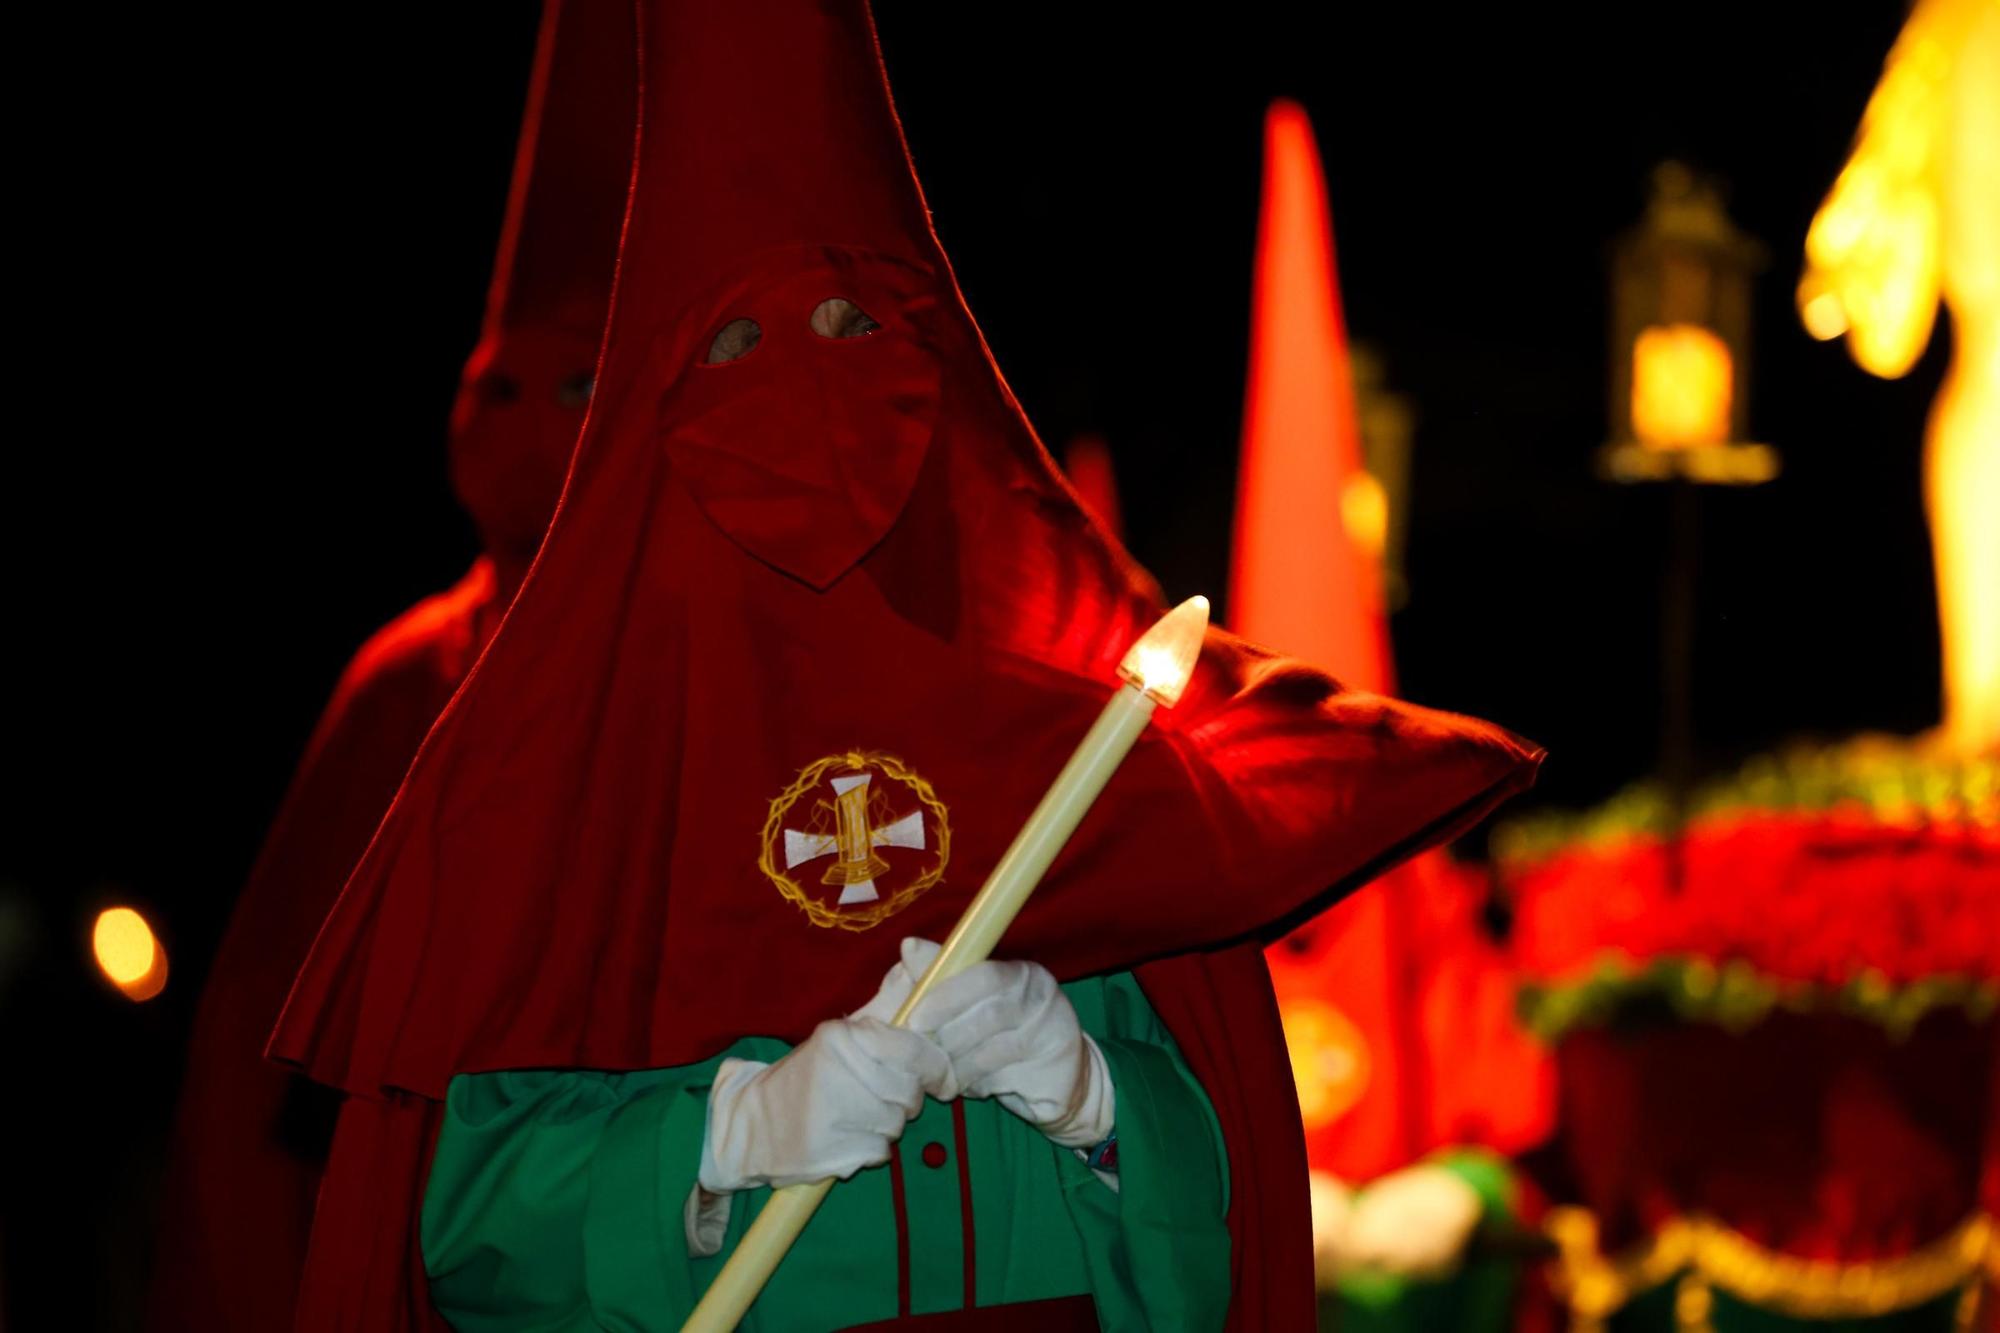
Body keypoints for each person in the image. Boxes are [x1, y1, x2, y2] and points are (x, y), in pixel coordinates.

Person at [270, 3, 1542, 1329]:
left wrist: (1099, 1102)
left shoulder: (1061, 737)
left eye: (849, 321)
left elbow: (1214, 1232)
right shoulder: (567, 774)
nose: (810, 398)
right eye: (738, 343)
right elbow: (464, 1229)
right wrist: (718, 1138)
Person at [144, 3, 633, 1327]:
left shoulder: (677, 658)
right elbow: (261, 1041)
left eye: (581, 388)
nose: (534, 429)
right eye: (502, 387)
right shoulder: (413, 674)